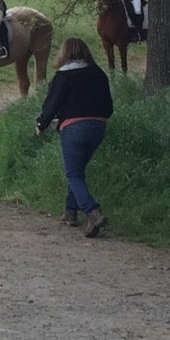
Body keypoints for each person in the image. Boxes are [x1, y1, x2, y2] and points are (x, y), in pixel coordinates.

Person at [35, 37, 114, 238]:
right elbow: (109, 107)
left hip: (74, 129)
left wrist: (41, 124)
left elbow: (51, 104)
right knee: (78, 170)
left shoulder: (63, 76)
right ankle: (70, 212)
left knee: (73, 173)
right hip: (98, 127)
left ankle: (92, 212)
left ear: (64, 54)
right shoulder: (99, 74)